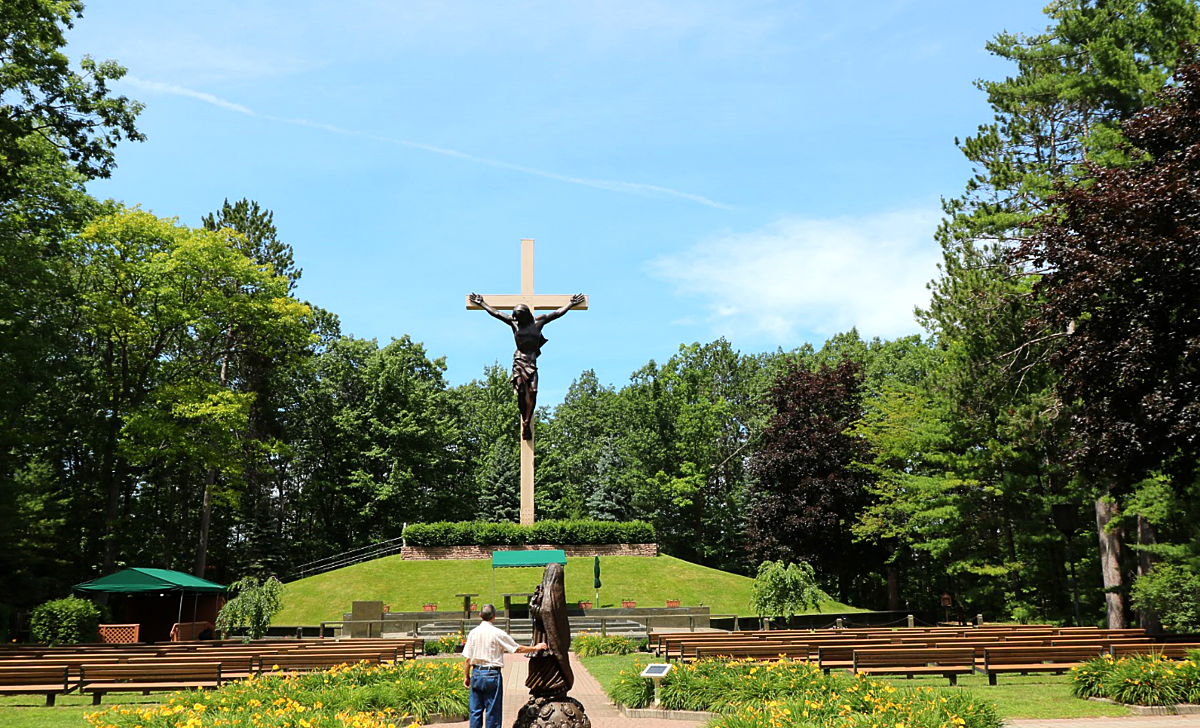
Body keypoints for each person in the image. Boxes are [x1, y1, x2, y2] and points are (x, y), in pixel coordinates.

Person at [468, 292, 586, 440]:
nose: (515, 319)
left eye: (518, 317)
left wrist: (570, 304)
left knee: (533, 391)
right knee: (522, 393)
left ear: (525, 315)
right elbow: (497, 313)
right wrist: (482, 303)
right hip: (519, 361)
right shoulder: (514, 323)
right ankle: (525, 420)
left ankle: (526, 421)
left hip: (532, 362)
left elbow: (556, 314)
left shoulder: (539, 322)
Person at [463, 603, 547, 728]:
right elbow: (516, 648)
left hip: (476, 673)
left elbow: (468, 658)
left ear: (480, 615)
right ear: (494, 616)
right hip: (492, 674)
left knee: (475, 711)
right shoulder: (498, 633)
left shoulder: (473, 633)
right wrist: (535, 647)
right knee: (493, 712)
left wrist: (466, 676)